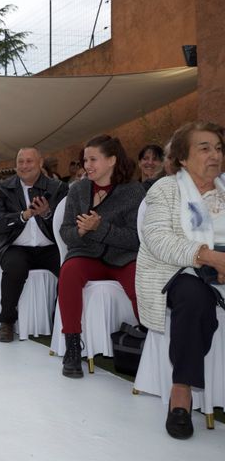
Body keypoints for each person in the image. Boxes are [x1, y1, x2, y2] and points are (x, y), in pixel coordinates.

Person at [136, 121, 225, 439]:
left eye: (218, 148)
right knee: (194, 297)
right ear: (183, 158)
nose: (214, 155)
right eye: (204, 148)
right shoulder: (166, 189)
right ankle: (181, 391)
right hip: (174, 272)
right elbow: (157, 238)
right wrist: (209, 257)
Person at [58, 135, 145, 378]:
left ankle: (149, 338)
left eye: (93, 159)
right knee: (69, 272)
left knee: (141, 283)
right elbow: (66, 233)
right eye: (85, 160)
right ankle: (73, 347)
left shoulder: (133, 191)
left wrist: (101, 228)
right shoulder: (77, 190)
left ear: (112, 160)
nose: (87, 165)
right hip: (86, 255)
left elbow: (135, 238)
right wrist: (81, 231)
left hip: (123, 257)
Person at [0, 147, 68, 343]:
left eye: (29, 161)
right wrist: (22, 216)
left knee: (69, 269)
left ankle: (61, 320)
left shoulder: (57, 188)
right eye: (20, 162)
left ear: (40, 163)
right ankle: (6, 321)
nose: (24, 166)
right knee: (15, 266)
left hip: (50, 247)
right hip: (15, 246)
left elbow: (66, 224)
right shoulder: (3, 188)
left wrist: (47, 214)